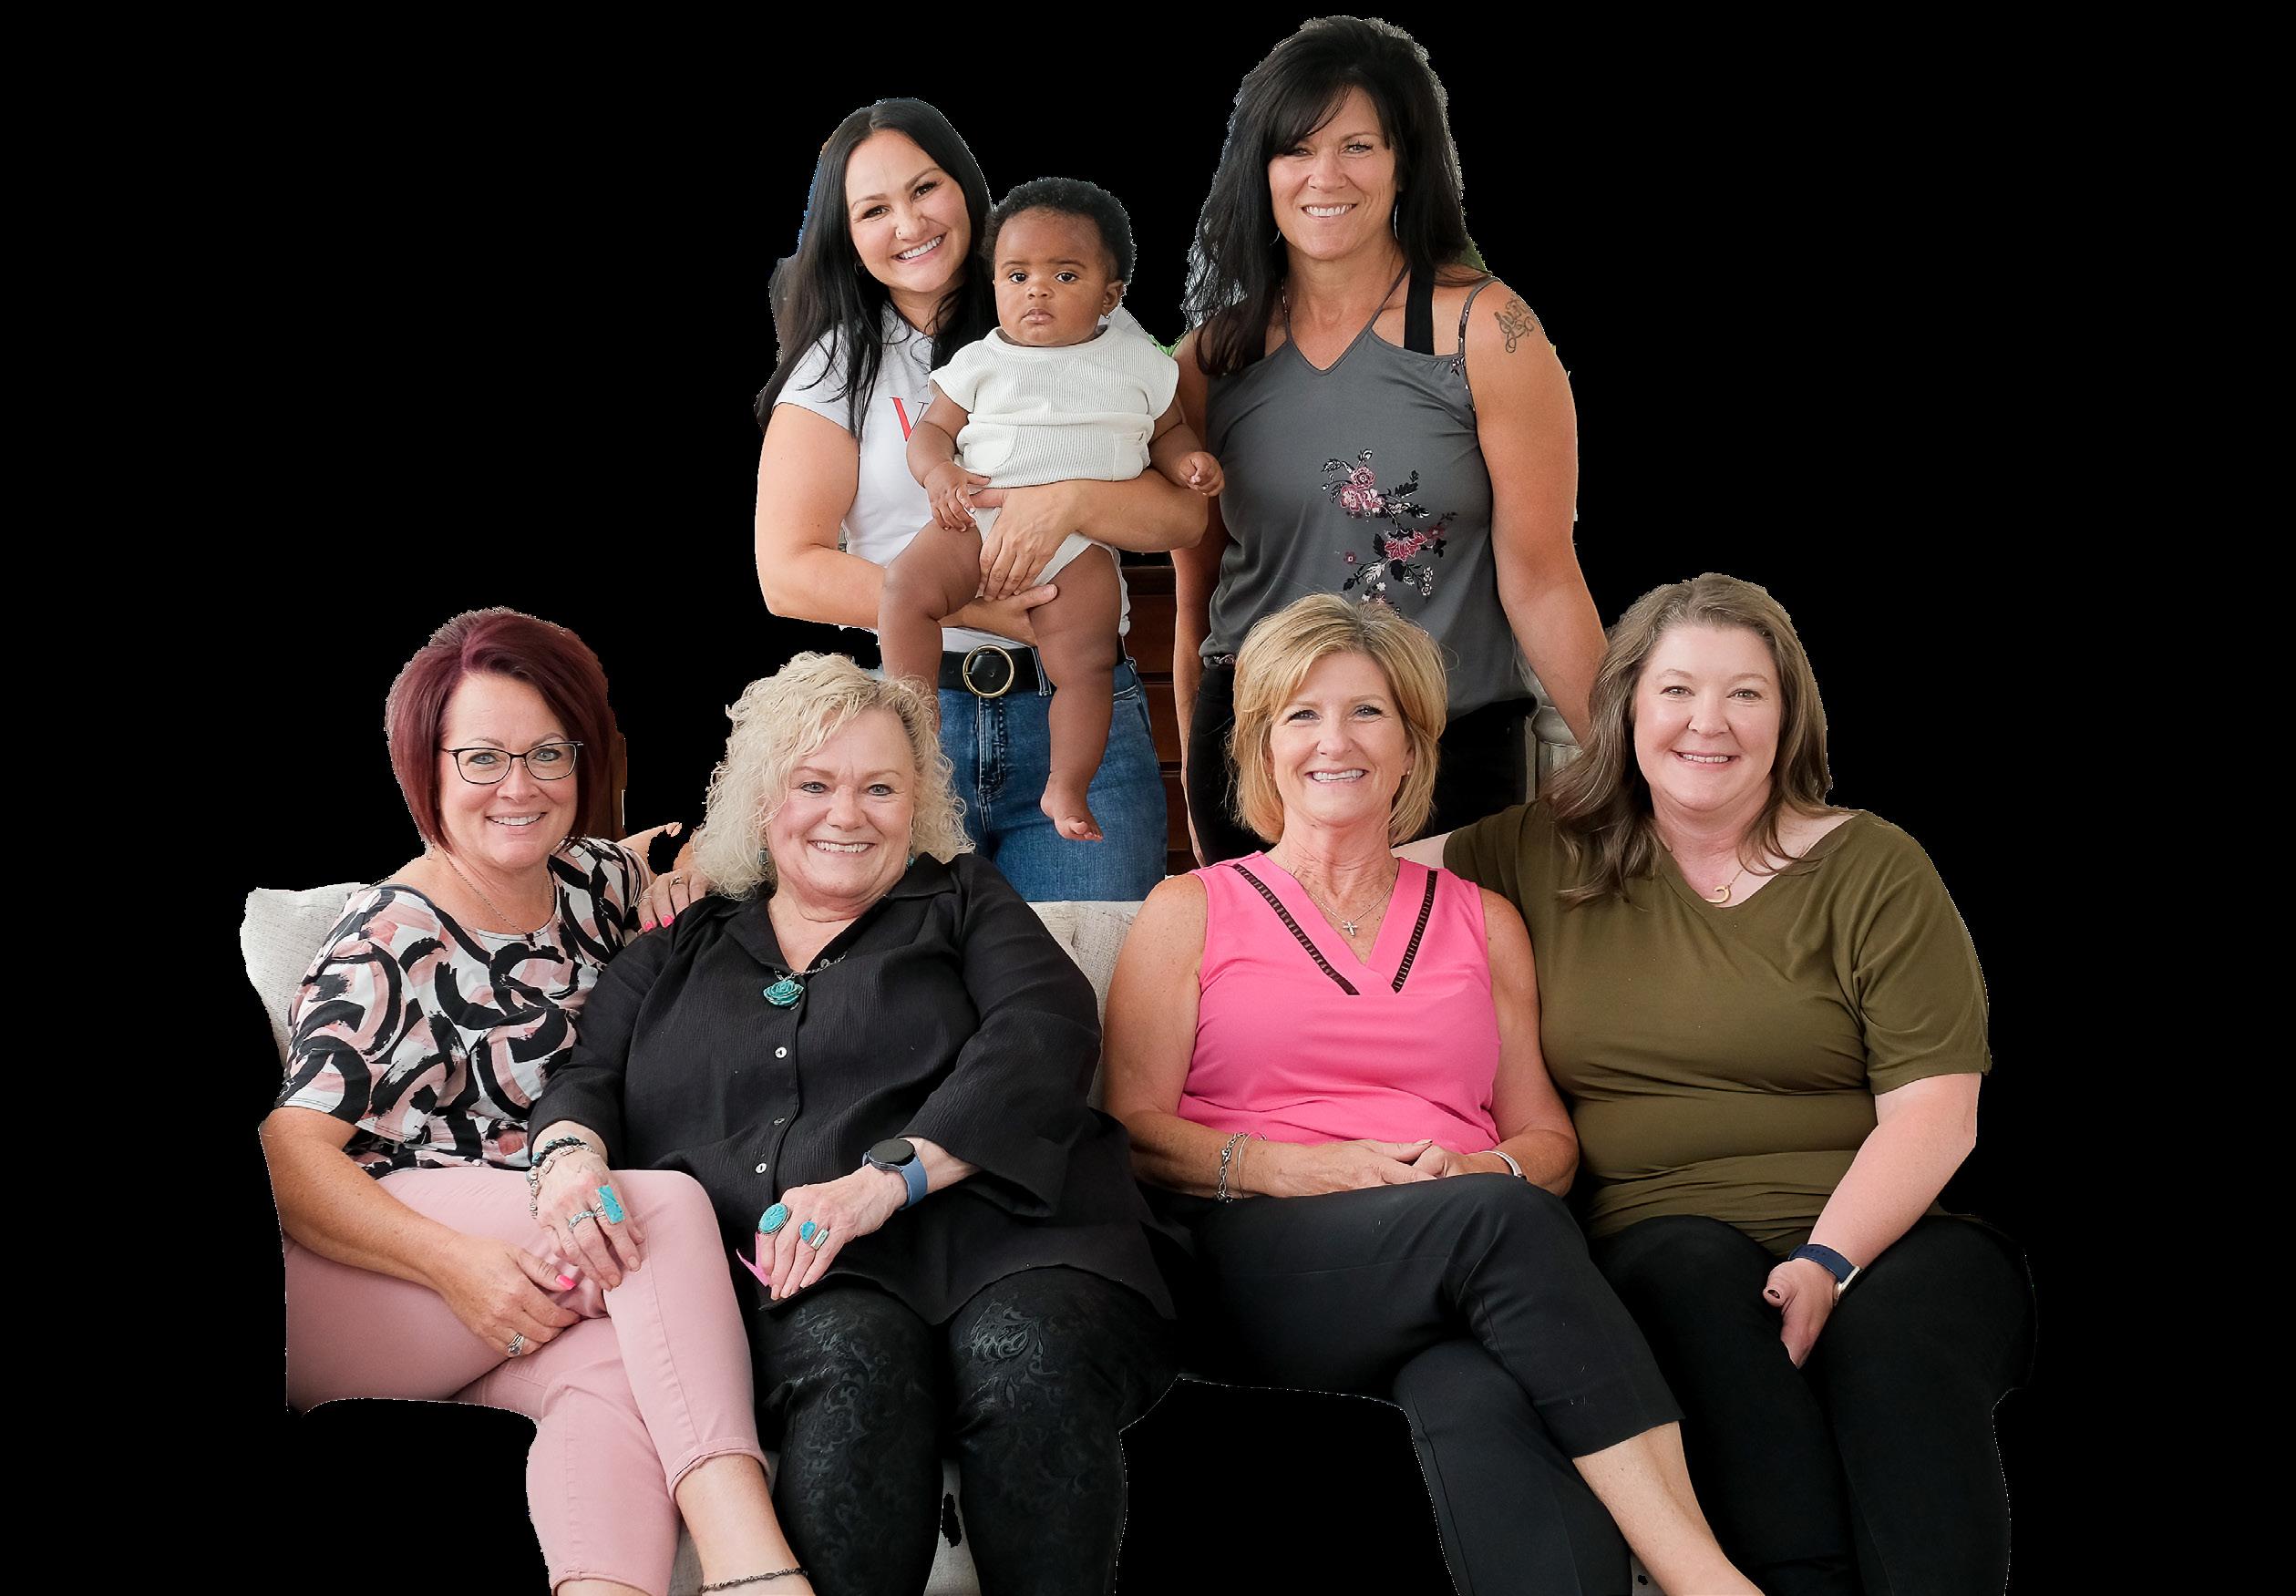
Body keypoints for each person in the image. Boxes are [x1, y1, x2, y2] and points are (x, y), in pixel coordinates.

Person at [1103, 593, 1756, 1596]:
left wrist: (1477, 1166)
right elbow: (1131, 1129)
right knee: (1502, 1222)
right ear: (1263, 746)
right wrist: (1297, 1169)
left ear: (1411, 747)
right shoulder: (1190, 908)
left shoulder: (1481, 919)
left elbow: (1545, 1137)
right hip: (1258, 1260)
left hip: (1455, 1250)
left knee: (1476, 1389)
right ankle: (1700, 1575)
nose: (1335, 740)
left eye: (1367, 712)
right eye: (1302, 714)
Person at [1402, 573, 2034, 1595]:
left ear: (1787, 717)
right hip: (1657, 1232)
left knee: (1897, 1342)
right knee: (1689, 1277)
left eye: (1744, 692)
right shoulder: (1537, 850)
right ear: (1625, 710)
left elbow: (1934, 1112)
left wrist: (1826, 1259)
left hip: (1885, 1232)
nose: (1708, 721)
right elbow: (1352, 874)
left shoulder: (1875, 867)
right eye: (1676, 690)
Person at [531, 653, 1179, 1596]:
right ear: (762, 800)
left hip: (1009, 1238)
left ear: (915, 802)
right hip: (794, 1272)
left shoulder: (963, 898)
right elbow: (585, 1077)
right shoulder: (676, 949)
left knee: (1025, 1354)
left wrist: (886, 1178)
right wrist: (567, 1160)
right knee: (854, 1358)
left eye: (880, 787)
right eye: (814, 784)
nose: (848, 813)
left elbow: (1043, 1027)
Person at [259, 608, 812, 1596]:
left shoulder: (591, 883)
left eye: (548, 753)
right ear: (424, 767)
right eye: (481, 757)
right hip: (367, 1280)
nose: (519, 787)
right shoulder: (389, 938)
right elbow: (286, 1153)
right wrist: (455, 1263)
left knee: (621, 1370)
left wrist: (689, 867)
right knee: (653, 1204)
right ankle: (752, 1565)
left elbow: (689, 855)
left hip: (536, 1263)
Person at [1173, 15, 1606, 865]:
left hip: (1449, 752)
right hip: (1260, 762)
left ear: (1405, 161)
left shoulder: (1489, 332)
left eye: (1357, 147)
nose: (1324, 176)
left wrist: (1638, 780)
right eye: (1296, 149)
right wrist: (1200, 783)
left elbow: (1545, 579)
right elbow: (1199, 607)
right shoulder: (1208, 360)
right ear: (1260, 169)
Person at [753, 98, 1207, 900]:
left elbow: (1182, 515)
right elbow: (787, 573)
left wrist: (1067, 502)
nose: (908, 223)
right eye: (873, 210)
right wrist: (979, 609)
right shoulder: (836, 366)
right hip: (923, 720)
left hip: (1077, 714)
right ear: (846, 235)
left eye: (924, 188)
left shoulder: (1081, 326)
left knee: (1087, 966)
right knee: (911, 975)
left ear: (965, 188)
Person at [886, 176, 1222, 845]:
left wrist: (1189, 462)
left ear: (1110, 294)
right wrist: (939, 473)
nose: (1036, 290)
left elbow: (1168, 434)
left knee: (1087, 666)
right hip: (977, 519)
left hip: (1082, 547)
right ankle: (913, 732)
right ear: (995, 285)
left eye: (1064, 275)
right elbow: (930, 433)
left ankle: (1066, 784)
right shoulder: (980, 361)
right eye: (1017, 276)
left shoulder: (1138, 363)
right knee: (904, 590)